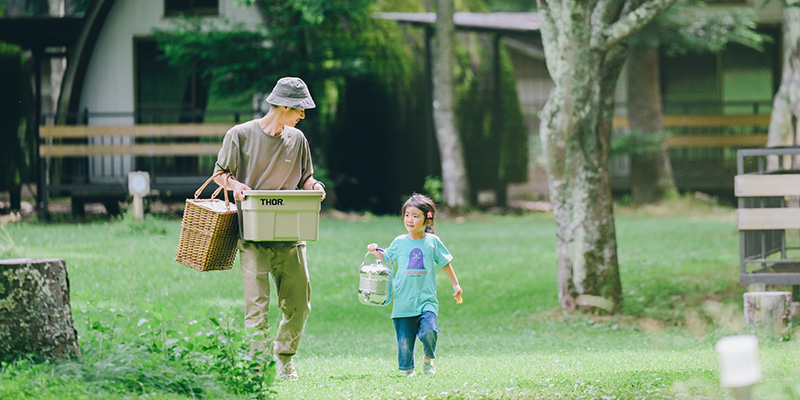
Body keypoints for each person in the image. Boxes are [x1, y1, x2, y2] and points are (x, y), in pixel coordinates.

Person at [212, 77, 326, 381]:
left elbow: (306, 179)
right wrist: (236, 186)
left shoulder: (298, 140)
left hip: (291, 235)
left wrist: (316, 186)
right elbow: (220, 175)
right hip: (253, 236)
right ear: (285, 106)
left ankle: (285, 356)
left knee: (299, 305)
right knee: (256, 310)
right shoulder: (239, 135)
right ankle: (257, 367)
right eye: (300, 110)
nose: (303, 115)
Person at [367, 193, 463, 378]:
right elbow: (387, 258)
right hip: (404, 301)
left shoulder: (432, 242)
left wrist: (456, 285)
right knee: (404, 341)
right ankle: (408, 370)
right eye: (407, 215)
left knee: (429, 332)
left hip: (426, 300)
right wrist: (375, 251)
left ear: (427, 220)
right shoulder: (400, 242)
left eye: (415, 216)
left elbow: (445, 263)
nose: (410, 220)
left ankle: (428, 359)